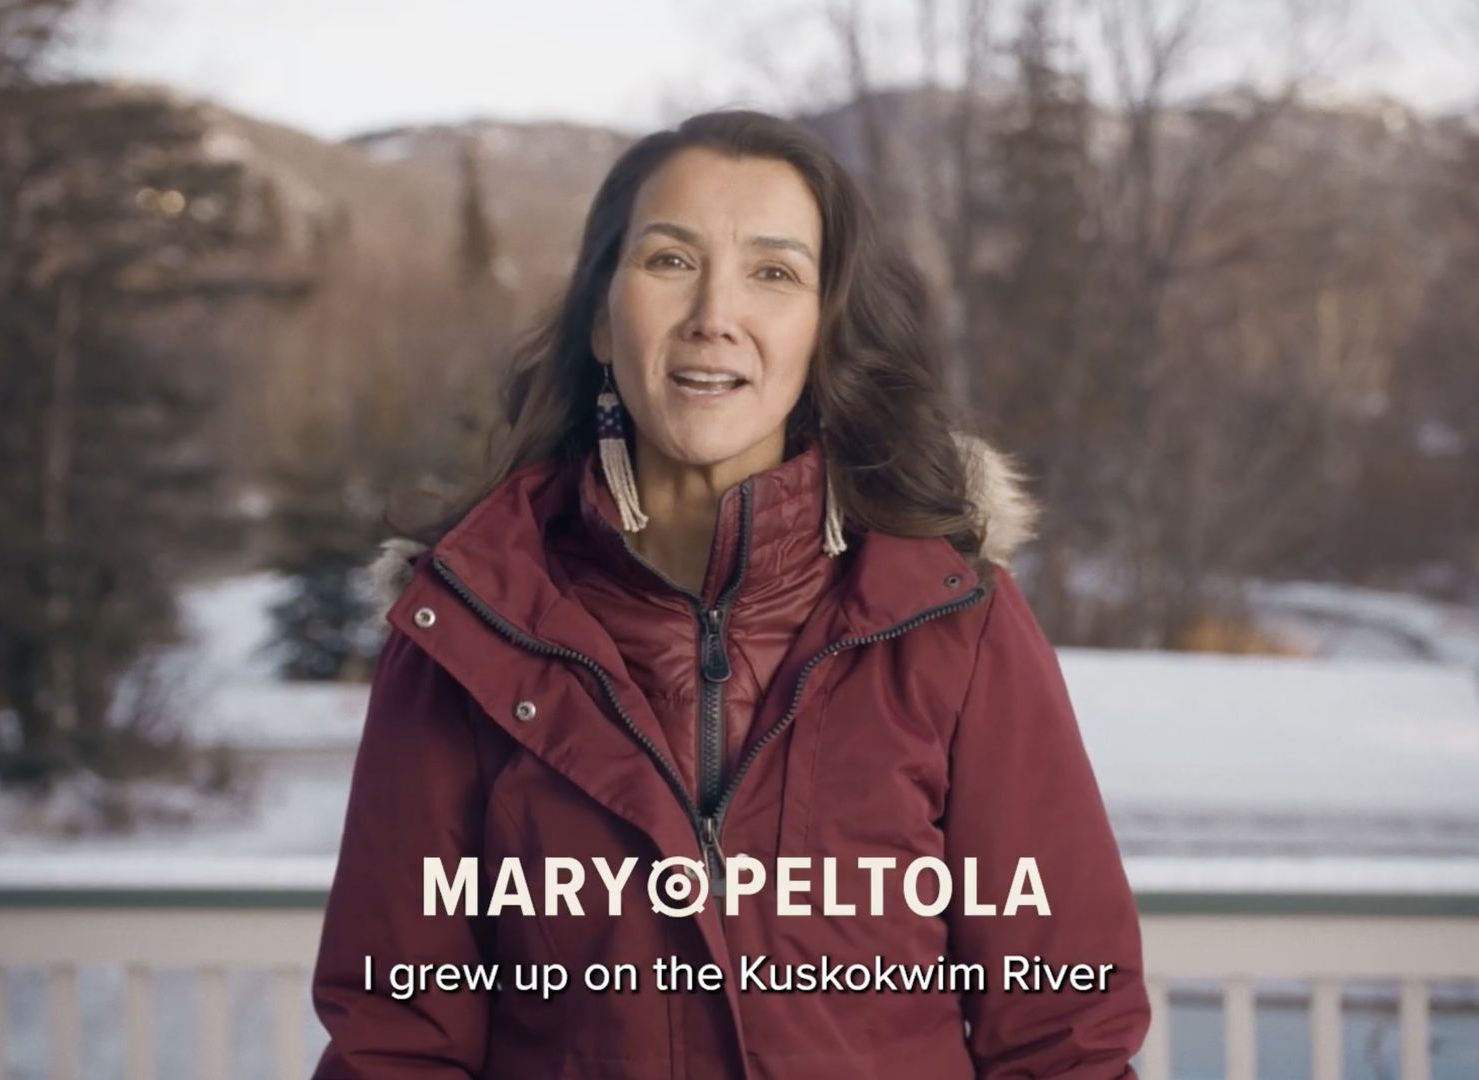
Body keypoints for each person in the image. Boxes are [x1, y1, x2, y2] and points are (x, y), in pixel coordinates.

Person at [311, 109, 1149, 1079]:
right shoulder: (466, 624)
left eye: (774, 272)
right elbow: (395, 1035)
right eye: (671, 261)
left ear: (822, 331)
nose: (716, 312)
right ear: (599, 312)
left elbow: (1064, 1031)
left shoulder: (952, 620)